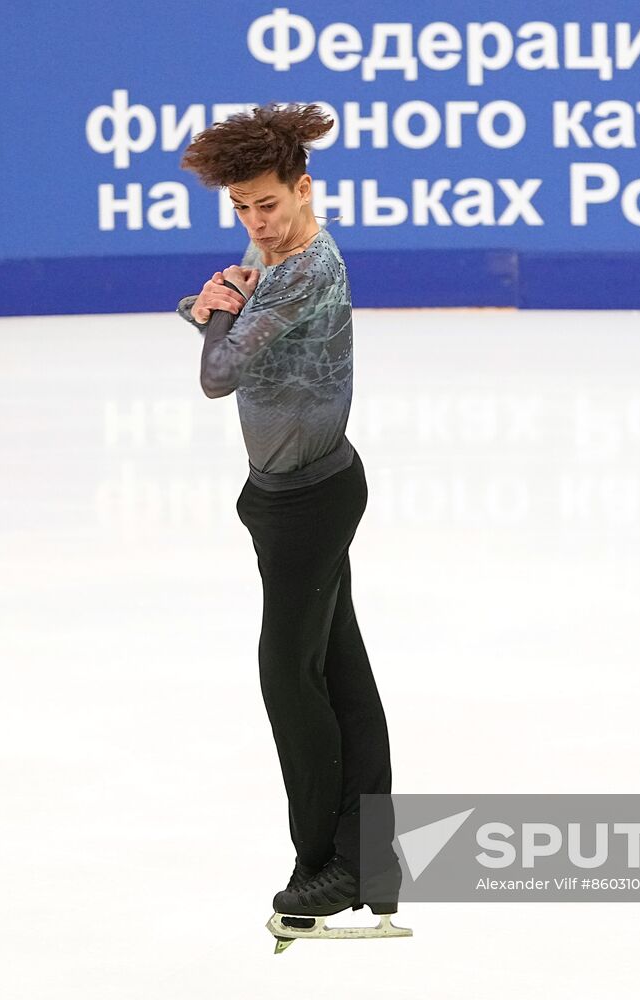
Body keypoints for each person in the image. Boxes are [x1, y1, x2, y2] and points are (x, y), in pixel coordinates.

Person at [175, 102, 404, 936]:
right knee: (339, 674)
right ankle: (371, 863)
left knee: (288, 676)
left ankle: (326, 871)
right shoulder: (269, 251)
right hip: (289, 495)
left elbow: (218, 373)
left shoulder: (307, 264)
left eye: (266, 204)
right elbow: (226, 329)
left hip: (307, 500)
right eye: (240, 208)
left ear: (303, 190)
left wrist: (216, 312)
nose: (254, 224)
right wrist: (212, 305)